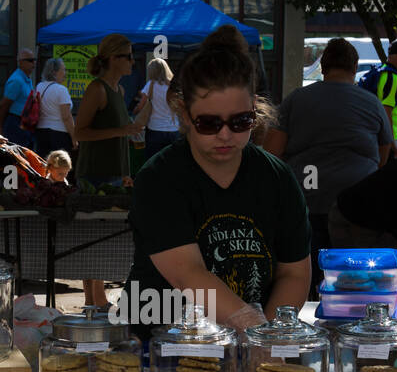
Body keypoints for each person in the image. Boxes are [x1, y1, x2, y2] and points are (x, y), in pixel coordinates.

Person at [120, 24, 311, 341]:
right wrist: (254, 329)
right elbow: (188, 274)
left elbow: (294, 272)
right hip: (160, 344)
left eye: (240, 122)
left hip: (247, 346)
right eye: (209, 123)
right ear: (184, 113)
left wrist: (271, 339)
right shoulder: (159, 178)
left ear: (255, 112)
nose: (225, 135)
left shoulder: (278, 179)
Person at [263, 37, 392, 297]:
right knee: (352, 280)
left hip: (306, 200)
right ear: (355, 68)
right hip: (355, 204)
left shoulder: (296, 99)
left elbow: (272, 153)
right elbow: (383, 156)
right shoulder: (372, 103)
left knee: (303, 274)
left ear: (323, 67)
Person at [74, 34, 148, 309]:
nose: (132, 61)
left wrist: (125, 171)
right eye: (127, 56)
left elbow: (120, 135)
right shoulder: (98, 89)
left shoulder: (118, 91)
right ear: (111, 59)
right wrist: (122, 130)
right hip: (94, 173)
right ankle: (94, 300)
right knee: (93, 238)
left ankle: (96, 299)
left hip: (114, 173)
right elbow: (79, 132)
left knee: (101, 240)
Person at [359, 38, 397, 153]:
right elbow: (386, 111)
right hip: (385, 139)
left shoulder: (381, 71)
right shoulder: (392, 77)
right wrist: (393, 144)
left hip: (374, 135)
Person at [134, 58, 182, 161]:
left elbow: (141, 105)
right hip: (174, 130)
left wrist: (134, 112)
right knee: (174, 163)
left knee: (154, 163)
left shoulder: (151, 85)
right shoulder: (174, 86)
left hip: (155, 130)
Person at [34, 57, 76, 157]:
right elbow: (66, 117)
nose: (65, 73)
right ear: (55, 72)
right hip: (59, 134)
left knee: (43, 165)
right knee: (60, 167)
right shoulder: (61, 90)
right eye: (63, 69)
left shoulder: (39, 86)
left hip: (41, 132)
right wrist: (74, 138)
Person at [0, 47, 37, 148]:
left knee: (25, 155)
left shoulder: (26, 79)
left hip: (24, 122)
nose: (34, 63)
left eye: (34, 60)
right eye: (30, 60)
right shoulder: (17, 80)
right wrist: (1, 127)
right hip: (15, 123)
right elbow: (4, 105)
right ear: (20, 62)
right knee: (17, 156)